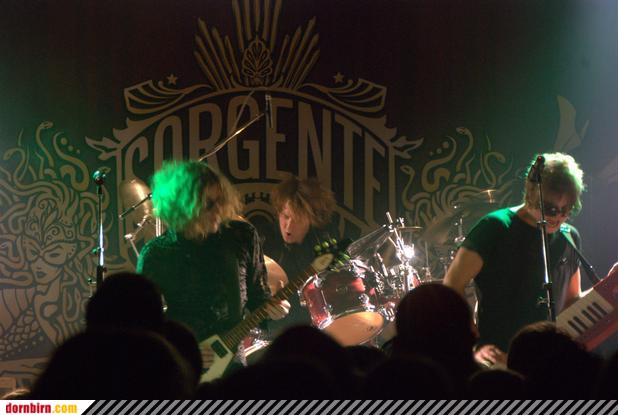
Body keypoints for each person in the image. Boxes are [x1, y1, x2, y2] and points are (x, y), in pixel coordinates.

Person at [136, 160, 289, 370]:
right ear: (182, 207)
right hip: (183, 367)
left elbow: (258, 298)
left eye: (220, 200)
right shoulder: (156, 254)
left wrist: (273, 309)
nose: (219, 209)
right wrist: (183, 348)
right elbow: (143, 327)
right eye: (208, 204)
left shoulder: (241, 237)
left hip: (233, 364)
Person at [444, 152, 585, 364]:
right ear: (532, 195)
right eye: (550, 209)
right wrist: (473, 343)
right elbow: (451, 286)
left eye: (567, 209)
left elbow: (572, 301)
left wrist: (609, 286)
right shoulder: (496, 227)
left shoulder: (569, 236)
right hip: (499, 356)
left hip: (550, 359)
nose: (558, 217)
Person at [263, 174, 337, 329]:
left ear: (311, 219)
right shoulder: (263, 242)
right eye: (285, 216)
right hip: (275, 331)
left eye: (297, 219)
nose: (288, 226)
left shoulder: (323, 243)